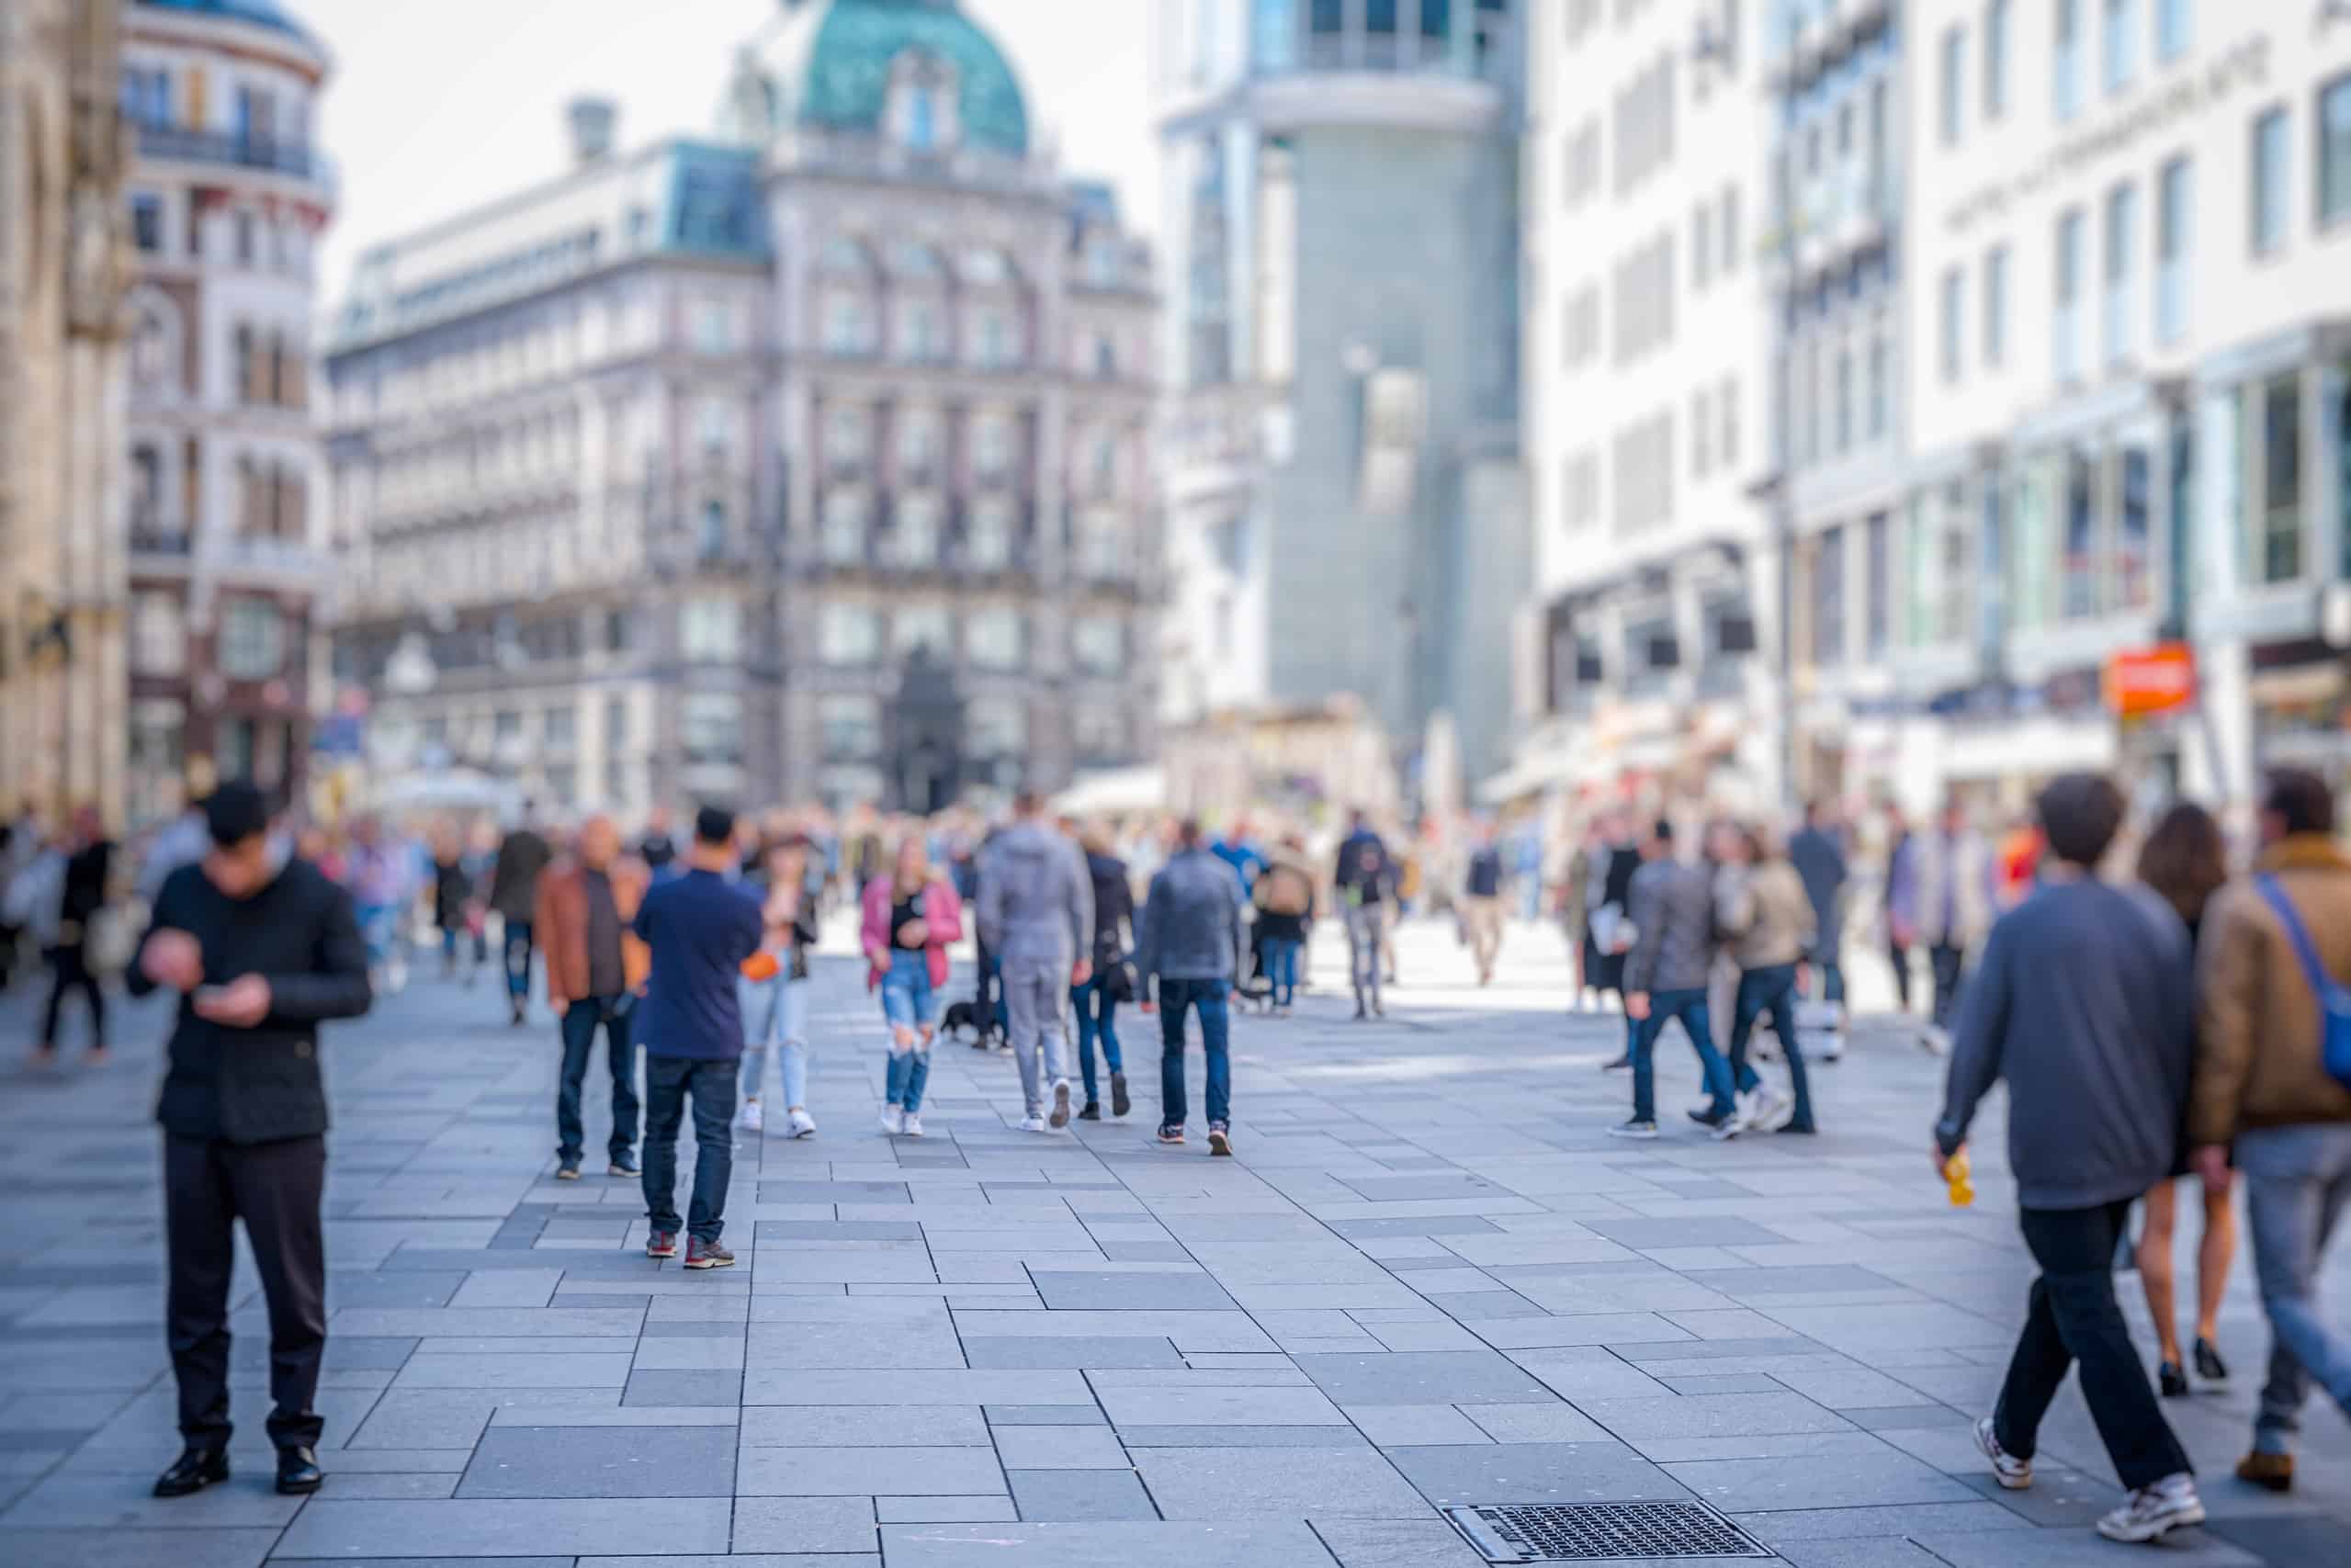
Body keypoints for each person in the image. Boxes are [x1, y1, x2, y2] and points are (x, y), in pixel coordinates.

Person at [1935, 773, 2205, 1545]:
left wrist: (1951, 1124)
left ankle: (2157, 1476)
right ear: (2118, 830)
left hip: (2054, 1146)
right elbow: (2183, 1035)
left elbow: (1976, 1037)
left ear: (2044, 833)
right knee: (2067, 1285)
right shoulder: (2151, 919)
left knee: (2084, 1300)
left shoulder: (2022, 926)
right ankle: (2010, 1434)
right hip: (2133, 1146)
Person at [132, 783, 372, 1500]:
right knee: (193, 1291)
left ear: (270, 835)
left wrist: (273, 995)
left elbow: (355, 989)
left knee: (293, 1289)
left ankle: (295, 1436)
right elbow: (138, 980)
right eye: (218, 858)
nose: (227, 874)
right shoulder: (181, 885)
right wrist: (152, 956)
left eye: (239, 859)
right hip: (194, 1110)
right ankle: (200, 1442)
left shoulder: (313, 892)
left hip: (283, 1118)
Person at [2189, 766, 2351, 1495]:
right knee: (2302, 1285)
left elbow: (2223, 1034)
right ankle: (2271, 1434)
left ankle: (2339, 1388)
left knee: (2285, 1293)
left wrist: (2209, 1134)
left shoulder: (2245, 905)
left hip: (2283, 1127)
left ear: (2276, 820)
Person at [2131, 801, 2237, 1401]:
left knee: (2158, 1222)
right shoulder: (2230, 910)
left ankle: (2167, 1352)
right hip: (2218, 1078)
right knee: (2219, 1208)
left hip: (2155, 1083)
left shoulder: (2142, 916)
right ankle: (2206, 1329)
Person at [630, 806, 763, 1270]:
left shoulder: (662, 890)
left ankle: (661, 1230)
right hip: (717, 1032)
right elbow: (750, 950)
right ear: (731, 841)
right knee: (714, 1138)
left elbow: (642, 931)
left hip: (665, 1028)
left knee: (659, 1132)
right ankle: (702, 1241)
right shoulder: (744, 899)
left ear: (694, 837)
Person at [537, 815, 650, 1181]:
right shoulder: (558, 879)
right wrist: (555, 990)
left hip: (626, 990)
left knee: (626, 1076)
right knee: (572, 1074)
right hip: (577, 993)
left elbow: (648, 930)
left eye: (604, 837)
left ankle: (623, 1150)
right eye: (590, 837)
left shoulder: (634, 876)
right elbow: (549, 940)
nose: (597, 844)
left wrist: (647, 978)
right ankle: (570, 1153)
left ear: (616, 840)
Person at [1613, 819, 1740, 1140]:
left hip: (1660, 982)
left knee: (1642, 1047)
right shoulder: (1699, 876)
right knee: (1708, 1047)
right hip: (1696, 978)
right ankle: (1728, 1111)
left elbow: (1648, 937)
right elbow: (1715, 927)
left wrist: (1637, 986)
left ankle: (1645, 1117)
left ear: (1656, 841)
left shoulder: (1649, 878)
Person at [979, 792, 1094, 1133]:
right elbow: (1080, 904)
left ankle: (1034, 1110)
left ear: (1016, 809)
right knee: (1054, 1020)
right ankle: (1058, 1077)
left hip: (1017, 943)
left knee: (1024, 1027)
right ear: (1044, 809)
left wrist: (997, 945)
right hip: (1056, 942)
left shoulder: (1001, 849)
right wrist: (1082, 951)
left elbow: (987, 909)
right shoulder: (1065, 848)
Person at [1137, 818, 1247, 1153]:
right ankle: (1218, 1122)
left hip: (1172, 972)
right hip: (1213, 971)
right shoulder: (1224, 874)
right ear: (1202, 838)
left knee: (1173, 1047)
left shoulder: (1163, 876)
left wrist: (1144, 984)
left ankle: (1174, 1123)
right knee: (1217, 1047)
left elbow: (1149, 933)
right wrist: (1238, 978)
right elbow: (1237, 930)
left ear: (1178, 838)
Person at [1713, 824, 1815, 1135]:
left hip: (1757, 965)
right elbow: (1806, 919)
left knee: (1738, 1039)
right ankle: (1805, 1112)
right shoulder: (1789, 875)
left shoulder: (1752, 880)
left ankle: (1726, 1106)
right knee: (1790, 1043)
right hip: (1785, 963)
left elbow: (1736, 922)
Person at [864, 833, 964, 1135]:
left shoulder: (938, 888)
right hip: (895, 968)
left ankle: (912, 1110)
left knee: (923, 1044)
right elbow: (867, 930)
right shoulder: (880, 889)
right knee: (903, 1038)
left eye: (916, 855)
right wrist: (875, 950)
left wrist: (928, 928)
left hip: (928, 970)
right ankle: (893, 1103)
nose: (910, 861)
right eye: (906, 854)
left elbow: (957, 928)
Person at [739, 834, 819, 1138]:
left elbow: (813, 935)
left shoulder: (806, 893)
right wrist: (764, 918)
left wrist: (793, 917)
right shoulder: (753, 889)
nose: (786, 862)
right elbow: (739, 928)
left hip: (792, 968)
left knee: (792, 1039)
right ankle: (752, 1101)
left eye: (793, 856)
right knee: (755, 1041)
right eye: (780, 855)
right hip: (758, 965)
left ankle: (796, 1110)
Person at [1902, 798, 1994, 1052]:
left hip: (1964, 923)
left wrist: (1989, 916)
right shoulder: (1924, 846)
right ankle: (1940, 1023)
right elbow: (1908, 884)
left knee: (1959, 975)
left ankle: (1948, 1024)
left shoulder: (1977, 847)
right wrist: (1904, 917)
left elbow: (1988, 886)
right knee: (1939, 973)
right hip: (1934, 921)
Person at [36, 805, 116, 1065]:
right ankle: (50, 1043)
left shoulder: (101, 850)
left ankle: (94, 1043)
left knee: (87, 990)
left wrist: (74, 854)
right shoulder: (76, 850)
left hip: (88, 933)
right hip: (70, 931)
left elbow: (93, 883)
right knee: (62, 990)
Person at [1071, 824, 1134, 1122]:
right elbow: (1131, 915)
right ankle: (1116, 1068)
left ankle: (1092, 1099)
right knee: (1107, 1023)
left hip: (1081, 958)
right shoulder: (1119, 872)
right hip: (1111, 957)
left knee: (1085, 1027)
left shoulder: (1077, 873)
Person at [1786, 800, 1849, 1060]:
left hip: (1799, 915)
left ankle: (1795, 1027)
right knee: (1830, 971)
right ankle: (1832, 1026)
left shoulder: (1794, 843)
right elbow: (1842, 875)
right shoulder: (1831, 843)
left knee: (1796, 973)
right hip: (1824, 915)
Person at [488, 809, 553, 1025]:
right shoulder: (541, 843)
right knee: (527, 956)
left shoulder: (510, 843)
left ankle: (517, 994)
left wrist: (493, 903)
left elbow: (501, 875)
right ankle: (523, 993)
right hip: (535, 907)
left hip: (513, 906)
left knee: (514, 953)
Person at [1590, 818, 1643, 1066]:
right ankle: (1633, 1050)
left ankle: (1636, 1051)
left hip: (1627, 935)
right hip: (1617, 931)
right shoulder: (1609, 854)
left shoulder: (1630, 858)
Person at [1333, 810, 1393, 1021]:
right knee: (1375, 952)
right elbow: (1389, 871)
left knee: (1356, 952)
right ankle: (1376, 998)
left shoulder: (1347, 843)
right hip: (1375, 900)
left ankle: (1360, 1003)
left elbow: (1339, 880)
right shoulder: (1377, 840)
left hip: (1354, 900)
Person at [1253, 834, 1317, 1015]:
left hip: (1271, 919)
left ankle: (1273, 998)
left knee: (1271, 961)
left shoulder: (1271, 865)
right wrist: (1308, 917)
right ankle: (1287, 1001)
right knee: (1289, 961)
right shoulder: (1304, 868)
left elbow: (1259, 892)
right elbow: (1311, 896)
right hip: (1293, 920)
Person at [1462, 825, 1507, 987]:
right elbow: (1468, 878)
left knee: (1498, 936)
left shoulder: (1496, 853)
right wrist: (1466, 901)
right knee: (1478, 936)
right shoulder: (1474, 854)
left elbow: (1503, 876)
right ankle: (1482, 969)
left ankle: (1487, 964)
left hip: (1494, 899)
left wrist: (1505, 896)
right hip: (1478, 900)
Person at [1882, 805, 1916, 1015]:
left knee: (1901, 955)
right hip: (1895, 907)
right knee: (1896, 956)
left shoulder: (1907, 845)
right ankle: (1903, 998)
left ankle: (1906, 999)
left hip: (1902, 909)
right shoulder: (1895, 844)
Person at [637, 807, 679, 878]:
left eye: (663, 817)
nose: (660, 820)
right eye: (657, 817)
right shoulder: (641, 841)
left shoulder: (675, 843)